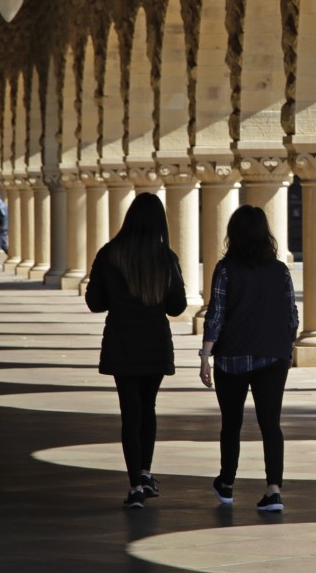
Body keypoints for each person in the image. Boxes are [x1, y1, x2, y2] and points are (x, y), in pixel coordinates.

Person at [85, 192, 187, 509]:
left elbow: (94, 302)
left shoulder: (109, 254)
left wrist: (118, 298)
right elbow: (177, 306)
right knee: (148, 407)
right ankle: (145, 472)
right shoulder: (165, 257)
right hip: (154, 343)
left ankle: (134, 487)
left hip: (122, 342)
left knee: (130, 413)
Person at [199, 205, 298, 511]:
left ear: (234, 233)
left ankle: (227, 483)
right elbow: (292, 315)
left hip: (232, 357)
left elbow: (216, 314)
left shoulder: (225, 269)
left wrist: (205, 355)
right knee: (271, 424)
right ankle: (273, 489)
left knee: (231, 424)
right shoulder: (280, 270)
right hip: (272, 356)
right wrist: (286, 348)